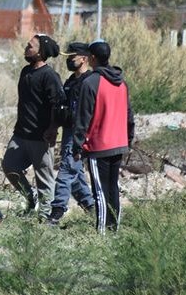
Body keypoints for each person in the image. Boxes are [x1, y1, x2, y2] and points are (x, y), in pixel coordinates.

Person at [73, 39, 135, 233]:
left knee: (100, 191)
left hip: (98, 147)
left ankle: (101, 236)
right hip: (119, 144)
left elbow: (83, 118)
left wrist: (77, 145)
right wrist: (129, 140)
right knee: (112, 189)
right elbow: (129, 116)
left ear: (92, 58)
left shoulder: (90, 82)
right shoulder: (121, 82)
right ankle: (113, 231)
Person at [2, 34, 65, 220]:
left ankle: (44, 217)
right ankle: (31, 198)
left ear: (40, 53)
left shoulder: (50, 76)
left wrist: (53, 128)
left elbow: (59, 105)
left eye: (30, 46)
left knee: (44, 179)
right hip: (21, 134)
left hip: (41, 137)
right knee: (9, 166)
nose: (26, 48)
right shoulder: (25, 71)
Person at [47, 42, 94, 225]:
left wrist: (81, 137)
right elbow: (63, 108)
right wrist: (54, 127)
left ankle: (57, 211)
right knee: (75, 173)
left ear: (83, 58)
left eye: (71, 57)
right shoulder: (70, 81)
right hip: (67, 132)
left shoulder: (89, 82)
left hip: (80, 135)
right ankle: (91, 208)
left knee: (66, 170)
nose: (68, 60)